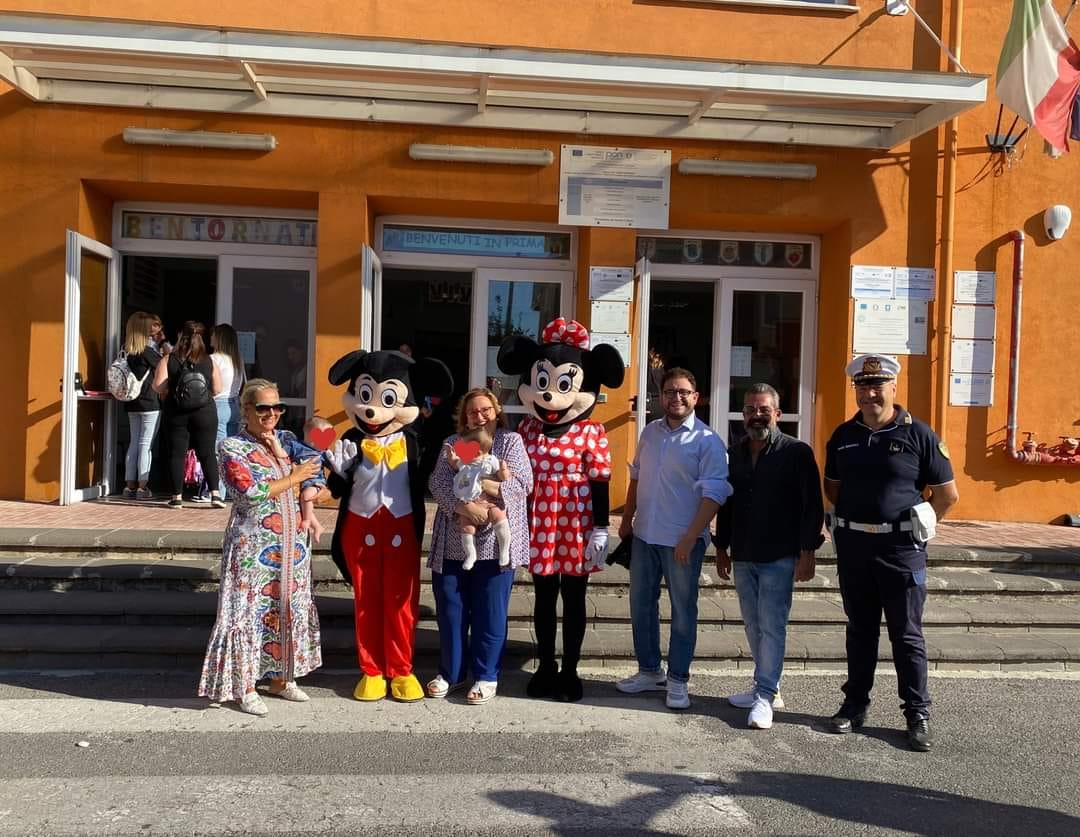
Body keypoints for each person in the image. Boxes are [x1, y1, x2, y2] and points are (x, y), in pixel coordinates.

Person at [824, 354, 959, 752]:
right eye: (862, 387)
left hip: (901, 549)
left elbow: (948, 495)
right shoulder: (843, 435)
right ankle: (855, 704)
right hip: (855, 548)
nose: (869, 394)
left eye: (877, 385)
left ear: (893, 388)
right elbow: (832, 489)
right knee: (859, 630)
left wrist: (924, 526)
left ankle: (917, 713)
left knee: (907, 635)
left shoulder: (918, 434)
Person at [197, 378, 324, 715]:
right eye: (263, 407)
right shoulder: (231, 447)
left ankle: (282, 678)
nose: (271, 414)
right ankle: (245, 684)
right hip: (253, 547)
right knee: (246, 612)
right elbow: (248, 493)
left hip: (291, 546)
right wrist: (294, 476)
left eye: (277, 407)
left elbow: (315, 473)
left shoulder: (284, 441)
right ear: (246, 409)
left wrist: (306, 488)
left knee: (285, 608)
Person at [616, 367, 732, 710]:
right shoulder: (650, 433)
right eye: (670, 392)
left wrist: (691, 537)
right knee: (641, 606)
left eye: (683, 392)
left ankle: (678, 679)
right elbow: (637, 477)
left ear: (696, 398)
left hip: (682, 541)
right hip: (645, 537)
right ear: (660, 396)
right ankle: (650, 670)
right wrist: (626, 520)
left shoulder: (707, 441)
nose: (676, 398)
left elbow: (715, 495)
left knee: (683, 612)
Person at [714, 383, 825, 730]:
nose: (756, 415)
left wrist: (808, 552)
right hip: (744, 553)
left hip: (779, 555)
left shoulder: (797, 452)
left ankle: (764, 696)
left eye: (763, 409)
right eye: (749, 410)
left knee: (772, 626)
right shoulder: (735, 452)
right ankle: (766, 685)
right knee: (752, 624)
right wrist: (721, 547)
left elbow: (812, 507)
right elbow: (728, 504)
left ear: (777, 413)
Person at [426, 388, 532, 705]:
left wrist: (479, 484)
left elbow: (521, 484)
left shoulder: (510, 441)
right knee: (451, 610)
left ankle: (486, 676)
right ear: (465, 416)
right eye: (473, 411)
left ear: (496, 411)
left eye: (485, 409)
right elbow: (437, 482)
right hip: (453, 540)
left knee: (490, 612)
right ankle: (452, 673)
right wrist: (463, 507)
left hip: (496, 542)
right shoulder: (453, 444)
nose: (479, 416)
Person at [152, 320, 225, 509]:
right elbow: (218, 389)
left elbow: (157, 386)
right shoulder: (209, 360)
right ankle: (215, 494)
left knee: (177, 454)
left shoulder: (170, 359)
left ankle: (176, 496)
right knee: (208, 453)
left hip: (176, 412)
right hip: (205, 412)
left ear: (180, 336)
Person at [446, 424, 512, 570]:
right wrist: (452, 457)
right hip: (468, 502)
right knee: (466, 527)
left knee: (499, 515)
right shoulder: (465, 462)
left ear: (480, 451)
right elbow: (455, 463)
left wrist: (503, 471)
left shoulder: (489, 461)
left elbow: (503, 478)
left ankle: (504, 550)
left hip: (488, 502)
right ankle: (471, 554)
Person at [120, 311, 163, 500]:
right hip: (150, 402)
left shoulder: (126, 350)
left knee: (134, 442)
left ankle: (129, 485)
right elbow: (164, 366)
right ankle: (142, 487)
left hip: (132, 401)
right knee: (146, 444)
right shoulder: (148, 352)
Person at [274, 415, 331, 544]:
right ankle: (316, 525)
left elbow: (334, 467)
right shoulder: (296, 446)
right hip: (299, 482)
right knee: (302, 501)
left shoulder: (323, 452)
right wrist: (273, 442)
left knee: (307, 496)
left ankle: (307, 520)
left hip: (315, 482)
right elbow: (282, 454)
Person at [210, 323, 245, 497]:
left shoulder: (214, 359)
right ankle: (233, 490)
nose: (210, 338)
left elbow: (212, 385)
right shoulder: (237, 360)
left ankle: (217, 492)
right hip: (234, 404)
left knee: (218, 450)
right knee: (232, 451)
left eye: (213, 335)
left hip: (218, 404)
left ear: (219, 338)